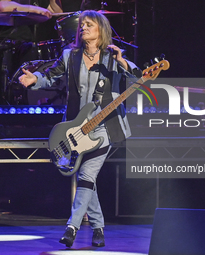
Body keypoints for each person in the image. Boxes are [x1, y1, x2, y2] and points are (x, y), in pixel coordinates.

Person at [19, 10, 139, 248]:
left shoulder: (112, 56)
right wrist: (35, 80)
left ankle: (72, 227)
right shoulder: (70, 55)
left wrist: (122, 61)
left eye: (89, 24)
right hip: (77, 127)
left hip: (105, 126)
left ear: (101, 30)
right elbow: (50, 76)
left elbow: (137, 79)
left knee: (86, 174)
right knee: (86, 177)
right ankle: (98, 229)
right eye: (82, 25)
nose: (83, 27)